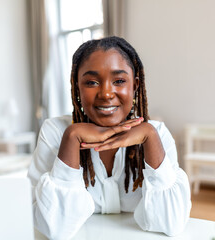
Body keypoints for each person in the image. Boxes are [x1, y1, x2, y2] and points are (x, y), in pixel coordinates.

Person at [28, 36, 191, 240]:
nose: (106, 93)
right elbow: (55, 228)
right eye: (91, 82)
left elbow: (171, 224)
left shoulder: (157, 133)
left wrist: (150, 135)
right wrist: (72, 137)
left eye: (119, 81)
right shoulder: (55, 132)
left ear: (135, 86)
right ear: (77, 87)